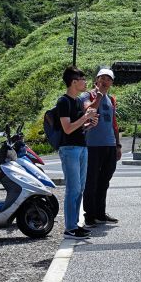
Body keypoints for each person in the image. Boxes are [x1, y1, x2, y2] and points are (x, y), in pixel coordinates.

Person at [57, 65, 98, 239]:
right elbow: (67, 129)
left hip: (81, 147)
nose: (85, 82)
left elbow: (77, 128)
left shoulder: (77, 101)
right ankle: (69, 228)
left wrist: (88, 125)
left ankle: (74, 225)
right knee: (72, 189)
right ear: (74, 82)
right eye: (82, 79)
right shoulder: (63, 101)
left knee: (80, 188)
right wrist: (85, 117)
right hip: (69, 149)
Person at [82, 67, 122, 226]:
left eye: (109, 79)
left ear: (112, 82)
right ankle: (89, 215)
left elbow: (114, 123)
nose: (105, 81)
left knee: (105, 180)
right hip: (92, 145)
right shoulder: (88, 95)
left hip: (110, 144)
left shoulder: (111, 99)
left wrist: (118, 145)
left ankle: (100, 212)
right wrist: (98, 96)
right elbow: (88, 109)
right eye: (102, 78)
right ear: (97, 80)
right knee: (91, 181)